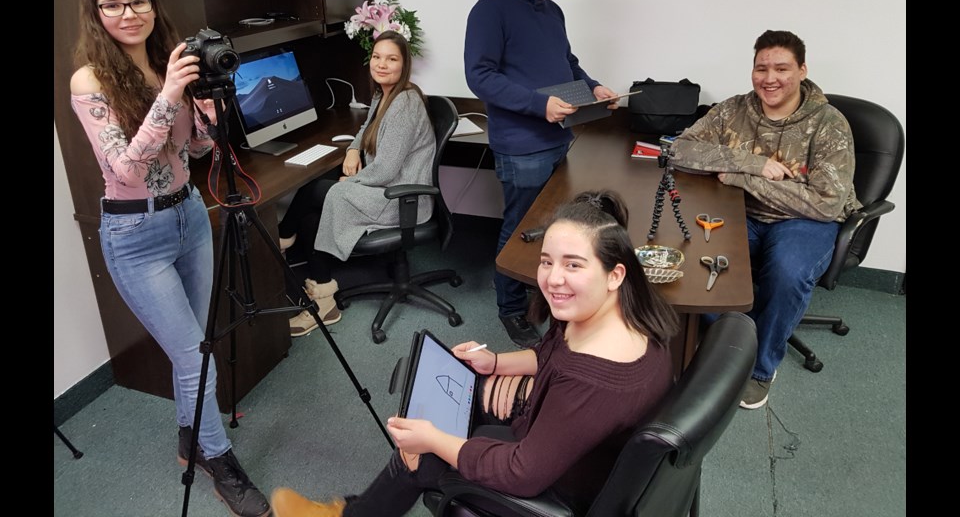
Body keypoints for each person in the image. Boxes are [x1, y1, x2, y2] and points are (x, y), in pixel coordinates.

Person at [269, 189, 680, 517]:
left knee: (425, 451)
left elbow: (523, 474)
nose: (554, 279)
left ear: (615, 274)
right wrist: (499, 364)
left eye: (573, 265)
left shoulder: (596, 378)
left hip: (560, 483)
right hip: (569, 443)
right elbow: (554, 355)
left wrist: (435, 440)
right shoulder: (618, 314)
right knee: (460, 391)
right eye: (547, 261)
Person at [69, 0, 270, 516]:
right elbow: (127, 169)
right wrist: (171, 93)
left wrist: (205, 111)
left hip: (189, 217)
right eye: (112, 5)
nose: (127, 14)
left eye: (137, 2)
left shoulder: (170, 62)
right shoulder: (90, 80)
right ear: (96, 13)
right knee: (192, 354)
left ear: (153, 6)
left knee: (197, 345)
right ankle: (219, 460)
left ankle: (190, 437)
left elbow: (200, 151)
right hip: (135, 233)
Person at [670, 30, 860, 409]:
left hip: (804, 220)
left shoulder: (829, 123)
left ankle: (759, 367)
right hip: (740, 214)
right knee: (691, 261)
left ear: (802, 71)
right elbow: (679, 151)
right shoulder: (733, 110)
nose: (769, 78)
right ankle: (737, 338)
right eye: (761, 68)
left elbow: (824, 203)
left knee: (787, 272)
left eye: (781, 68)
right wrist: (752, 164)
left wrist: (741, 179)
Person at [464, 0, 619, 348]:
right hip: (521, 145)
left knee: (554, 229)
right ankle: (510, 309)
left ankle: (541, 298)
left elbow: (566, 64)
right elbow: (479, 76)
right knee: (520, 229)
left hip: (560, 137)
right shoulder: (489, 10)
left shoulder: (552, 10)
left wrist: (593, 86)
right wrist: (539, 104)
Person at [277, 30, 436, 337]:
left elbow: (387, 170)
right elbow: (367, 125)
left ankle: (284, 239)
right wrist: (353, 148)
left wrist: (349, 181)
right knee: (314, 213)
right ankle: (324, 299)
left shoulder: (405, 103)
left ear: (405, 65)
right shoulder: (384, 95)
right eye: (377, 57)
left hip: (400, 198)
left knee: (322, 190)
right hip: (384, 189)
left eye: (392, 59)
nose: (382, 64)